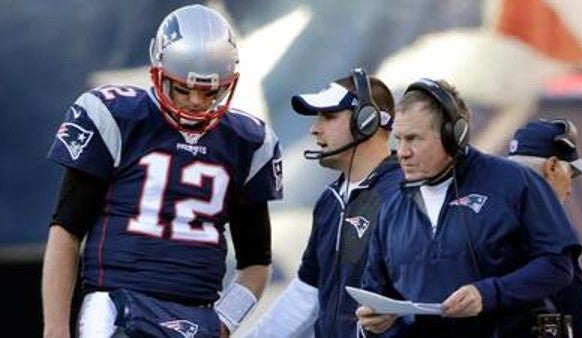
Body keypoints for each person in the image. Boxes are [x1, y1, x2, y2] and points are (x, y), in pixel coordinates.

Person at [41, 5, 282, 338]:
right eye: (183, 88)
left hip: (197, 313)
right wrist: (55, 328)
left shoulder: (247, 141)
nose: (196, 101)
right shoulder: (117, 117)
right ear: (158, 71)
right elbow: (66, 230)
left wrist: (224, 322)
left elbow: (257, 261)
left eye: (210, 91)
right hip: (114, 303)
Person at [356, 78, 582, 338]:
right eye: (398, 140)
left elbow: (558, 266)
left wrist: (488, 294)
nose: (402, 152)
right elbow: (377, 293)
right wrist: (375, 324)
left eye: (413, 139)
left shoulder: (515, 182)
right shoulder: (392, 210)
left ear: (454, 136)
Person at [243, 69, 401, 337]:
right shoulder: (330, 201)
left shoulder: (405, 197)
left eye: (329, 117)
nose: (315, 128)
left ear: (367, 121)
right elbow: (306, 294)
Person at [507, 118, 582, 338]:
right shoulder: (545, 234)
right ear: (553, 167)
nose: (569, 190)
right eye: (571, 175)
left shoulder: (481, 223)